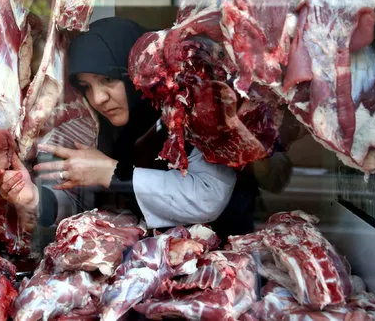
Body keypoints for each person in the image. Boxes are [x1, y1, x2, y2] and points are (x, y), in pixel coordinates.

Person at [35, 17, 290, 239]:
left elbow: (207, 196)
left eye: (108, 80)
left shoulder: (189, 106)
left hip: (222, 260)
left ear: (134, 71)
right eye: (86, 86)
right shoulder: (101, 125)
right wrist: (35, 200)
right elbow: (83, 197)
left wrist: (109, 173)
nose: (98, 98)